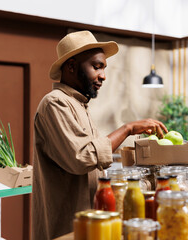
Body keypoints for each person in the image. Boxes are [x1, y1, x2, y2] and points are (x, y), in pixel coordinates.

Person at [32, 30, 167, 240]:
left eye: (104, 68)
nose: (103, 76)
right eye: (96, 67)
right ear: (71, 66)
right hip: (67, 224)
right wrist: (127, 128)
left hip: (91, 220)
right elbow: (82, 158)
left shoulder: (79, 104)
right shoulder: (55, 103)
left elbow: (96, 160)